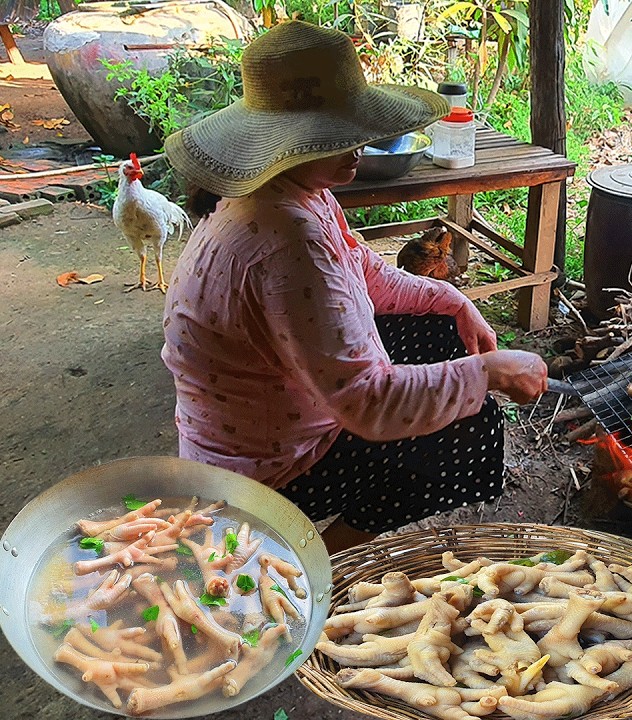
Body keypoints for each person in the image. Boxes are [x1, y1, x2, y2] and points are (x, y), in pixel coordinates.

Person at [160, 20, 548, 553]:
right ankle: (316, 560)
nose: (359, 146)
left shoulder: (291, 191)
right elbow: (370, 404)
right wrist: (490, 373)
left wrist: (452, 299)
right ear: (290, 143)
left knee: (439, 333)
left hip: (265, 418)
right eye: (337, 136)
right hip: (259, 474)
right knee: (467, 420)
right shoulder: (287, 243)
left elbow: (363, 270)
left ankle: (323, 550)